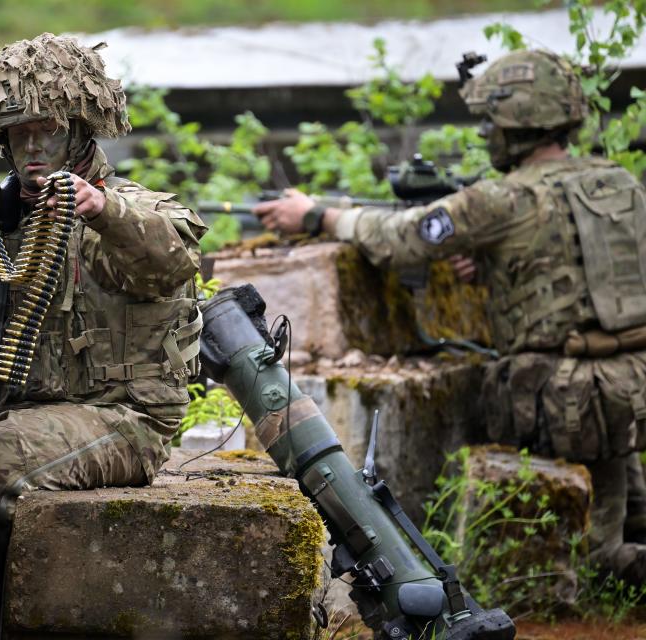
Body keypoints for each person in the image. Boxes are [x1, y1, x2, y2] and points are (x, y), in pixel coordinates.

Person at [254, 49, 646, 582]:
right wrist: (495, 269)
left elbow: (401, 239)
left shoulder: (502, 200)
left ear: (514, 123)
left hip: (569, 396)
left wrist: (317, 214)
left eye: (490, 121)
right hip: (633, 382)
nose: (485, 132)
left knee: (602, 560)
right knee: (632, 515)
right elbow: (583, 273)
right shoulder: (617, 182)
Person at [0, 33, 206, 629]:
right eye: (17, 135)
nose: (30, 149)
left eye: (45, 131)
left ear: (78, 132)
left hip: (122, 417)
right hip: (23, 407)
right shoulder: (2, 219)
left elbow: (174, 260)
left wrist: (103, 211)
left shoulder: (120, 210)